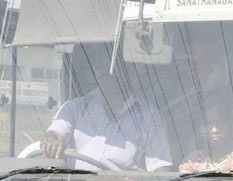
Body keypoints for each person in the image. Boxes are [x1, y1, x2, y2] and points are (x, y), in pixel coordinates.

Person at [41, 46, 172, 172]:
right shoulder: (74, 108)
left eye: (110, 63)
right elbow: (55, 133)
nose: (103, 69)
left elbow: (160, 168)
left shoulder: (148, 116)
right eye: (99, 63)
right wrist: (52, 141)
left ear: (127, 69)